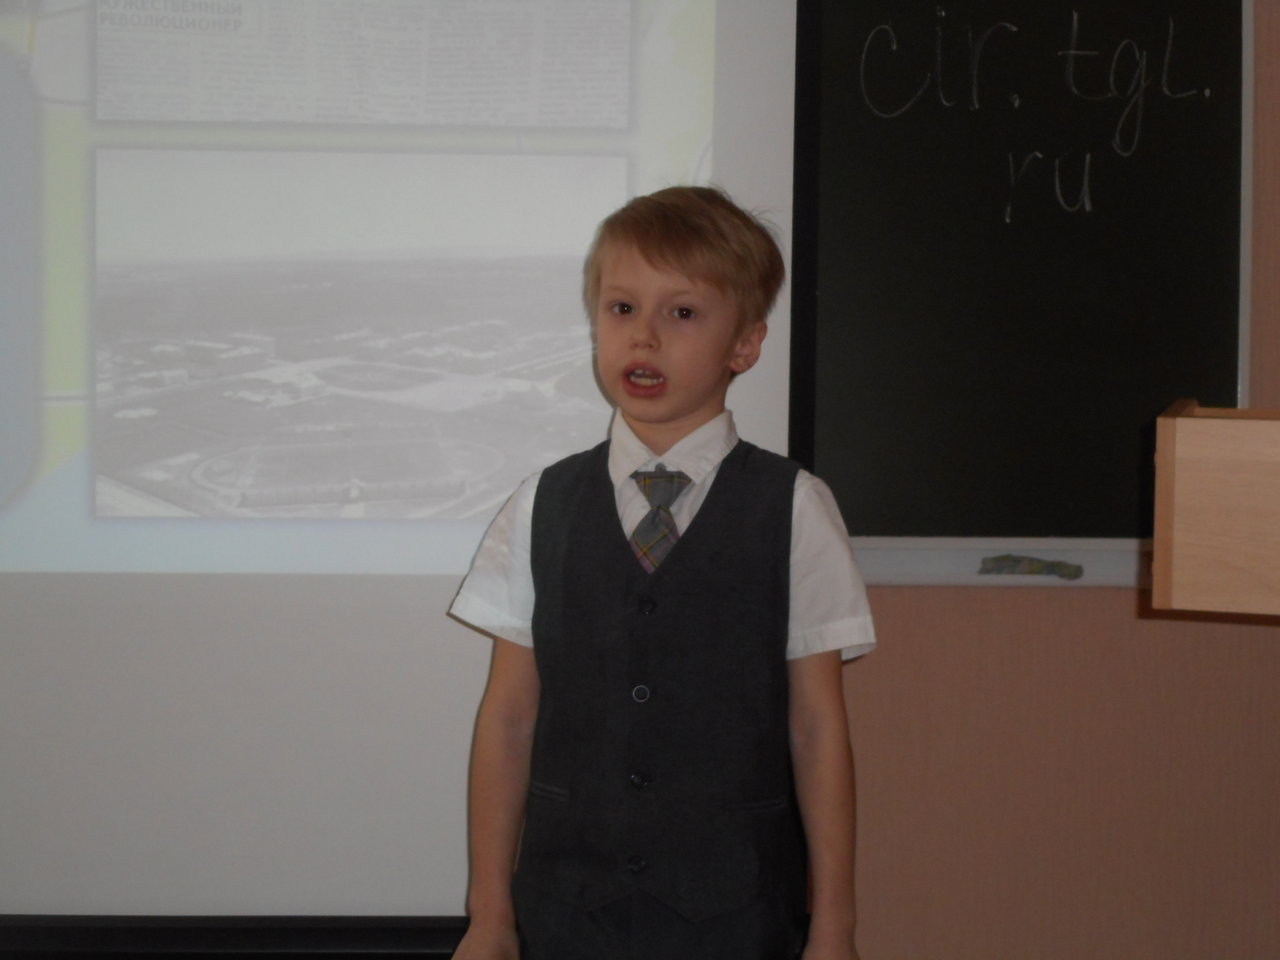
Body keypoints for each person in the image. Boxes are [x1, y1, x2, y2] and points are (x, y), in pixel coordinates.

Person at [448, 185, 875, 960]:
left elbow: (817, 728)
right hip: (566, 916)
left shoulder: (794, 507)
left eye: (682, 313)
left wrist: (835, 927)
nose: (643, 336)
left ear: (745, 345)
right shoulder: (543, 503)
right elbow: (508, 718)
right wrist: (489, 915)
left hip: (737, 916)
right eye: (621, 308)